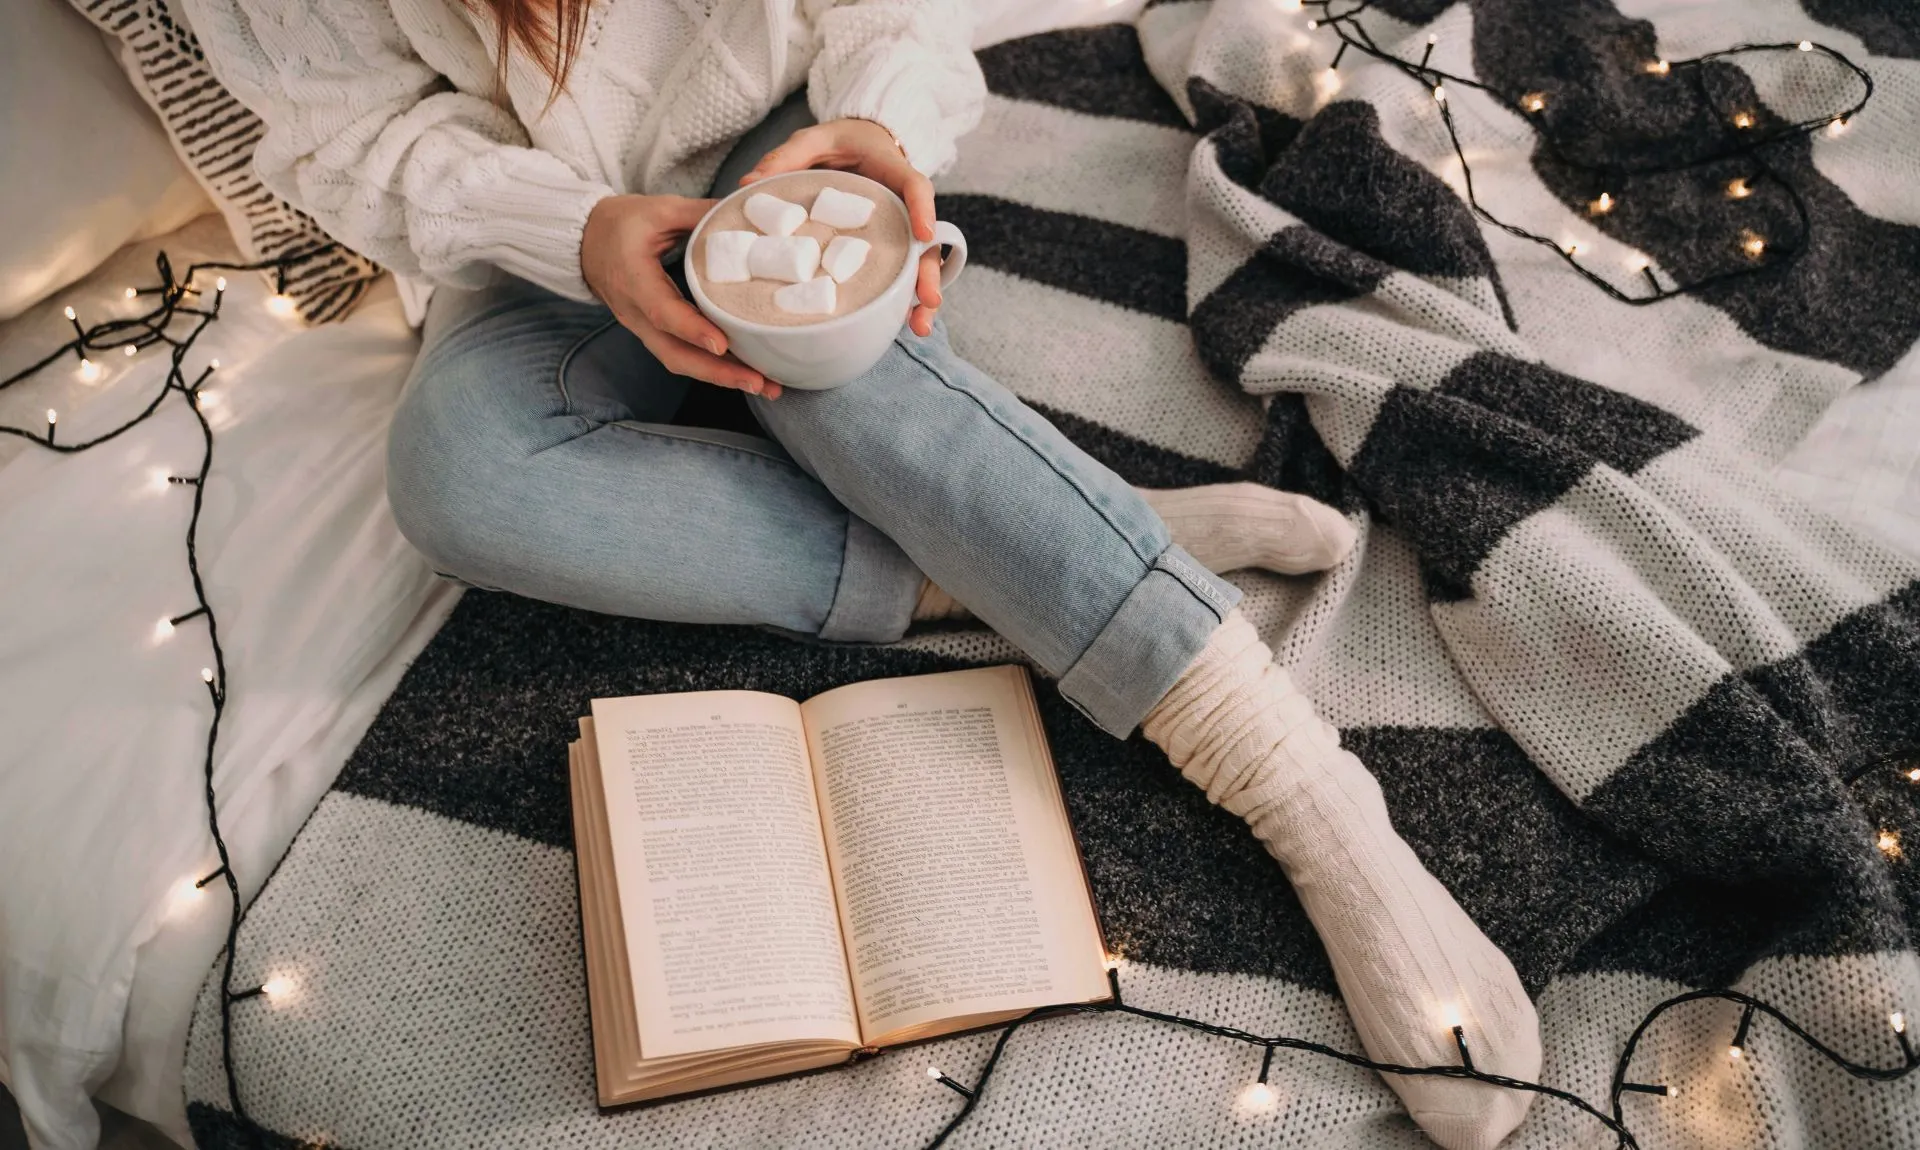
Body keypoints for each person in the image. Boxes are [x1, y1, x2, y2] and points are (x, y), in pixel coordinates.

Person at [184, 1, 1541, 1143]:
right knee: (460, 473)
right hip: (547, 229)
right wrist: (577, 228)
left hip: (784, 141)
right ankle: (1057, 531)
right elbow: (352, 137)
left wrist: (878, 129)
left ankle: (1303, 789)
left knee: (826, 368)